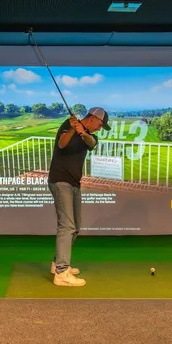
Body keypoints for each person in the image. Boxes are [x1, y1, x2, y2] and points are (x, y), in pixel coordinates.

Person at [47, 106, 109, 287]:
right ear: (93, 118)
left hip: (74, 183)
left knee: (76, 227)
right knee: (67, 225)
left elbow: (92, 143)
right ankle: (61, 273)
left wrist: (82, 132)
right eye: (100, 124)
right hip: (60, 181)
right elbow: (61, 144)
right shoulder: (68, 124)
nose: (100, 128)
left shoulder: (90, 135)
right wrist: (74, 128)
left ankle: (57, 262)